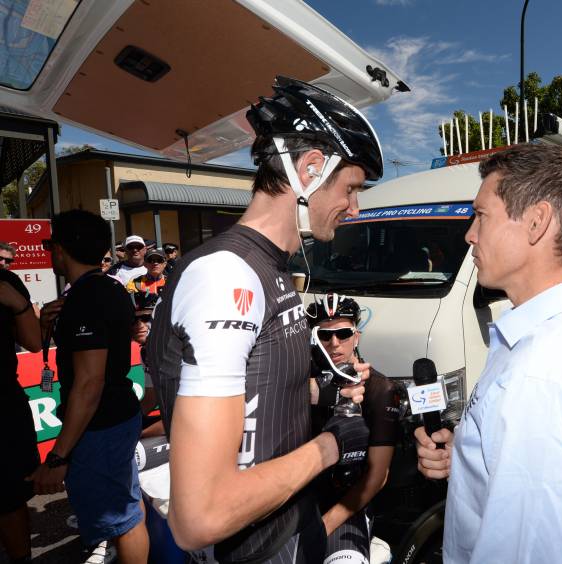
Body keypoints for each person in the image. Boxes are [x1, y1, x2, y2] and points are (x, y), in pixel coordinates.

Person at [147, 76, 380, 563]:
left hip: (290, 529)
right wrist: (331, 445)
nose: (354, 207)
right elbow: (200, 517)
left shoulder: (270, 267)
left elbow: (254, 391)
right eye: (352, 187)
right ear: (311, 169)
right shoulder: (226, 274)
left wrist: (321, 392)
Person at [416, 144, 562, 563]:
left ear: (537, 221)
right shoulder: (548, 344)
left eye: (481, 215)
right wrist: (471, 455)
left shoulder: (545, 380)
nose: (470, 233)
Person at [30, 210, 148, 562]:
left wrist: (58, 455)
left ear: (62, 249)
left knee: (122, 519)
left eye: (52, 245)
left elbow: (89, 384)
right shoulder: (107, 288)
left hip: (102, 425)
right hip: (116, 416)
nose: (51, 253)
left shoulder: (87, 297)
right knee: (126, 508)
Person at [307, 294, 400, 564]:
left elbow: (377, 477)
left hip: (349, 503)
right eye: (325, 335)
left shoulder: (381, 390)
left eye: (344, 333)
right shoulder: (302, 383)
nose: (334, 343)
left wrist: (323, 525)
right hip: (301, 499)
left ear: (356, 337)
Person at [0, 267, 41, 564]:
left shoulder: (5, 283)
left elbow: (34, 342)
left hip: (2, 405)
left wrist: (19, 304)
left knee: (8, 497)